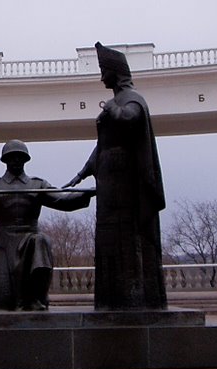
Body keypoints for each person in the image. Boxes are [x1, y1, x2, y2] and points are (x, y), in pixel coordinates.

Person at [65, 42, 168, 310]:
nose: (101, 77)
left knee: (127, 237)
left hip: (125, 182)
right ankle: (111, 299)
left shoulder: (132, 99)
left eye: (103, 71)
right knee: (108, 237)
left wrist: (114, 111)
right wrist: (82, 173)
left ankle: (132, 300)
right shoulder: (115, 102)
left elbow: (132, 120)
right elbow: (103, 145)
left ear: (115, 71)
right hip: (108, 181)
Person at [0, 140, 93, 310]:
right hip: (3, 241)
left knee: (41, 241)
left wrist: (85, 195)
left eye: (20, 157)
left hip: (30, 238)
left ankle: (35, 298)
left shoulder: (37, 184)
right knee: (5, 300)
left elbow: (62, 200)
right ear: (5, 160)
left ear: (26, 159)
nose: (16, 160)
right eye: (11, 157)